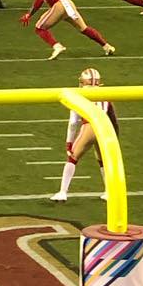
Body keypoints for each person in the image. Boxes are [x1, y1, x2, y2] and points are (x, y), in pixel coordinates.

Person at [49, 68, 116, 202]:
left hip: (90, 126)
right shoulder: (106, 94)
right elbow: (113, 118)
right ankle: (109, 191)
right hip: (105, 127)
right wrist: (114, 136)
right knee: (103, 160)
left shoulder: (79, 95)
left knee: (73, 157)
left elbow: (73, 122)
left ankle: (63, 192)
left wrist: (69, 143)